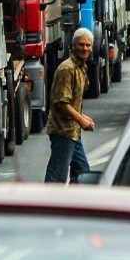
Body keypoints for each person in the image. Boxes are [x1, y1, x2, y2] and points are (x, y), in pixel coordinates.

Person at [44, 27, 96, 183]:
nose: (84, 48)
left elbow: (72, 102)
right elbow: (61, 102)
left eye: (88, 45)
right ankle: (48, 205)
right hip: (63, 131)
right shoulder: (67, 69)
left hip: (73, 132)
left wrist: (82, 117)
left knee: (82, 174)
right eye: (81, 45)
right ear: (73, 46)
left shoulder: (80, 67)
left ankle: (74, 205)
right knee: (56, 177)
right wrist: (81, 120)